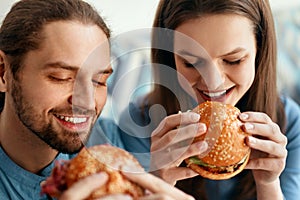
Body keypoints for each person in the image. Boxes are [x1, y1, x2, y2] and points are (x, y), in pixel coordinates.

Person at [0, 0, 195, 200]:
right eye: (61, 77)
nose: (85, 102)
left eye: (99, 81)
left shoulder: (118, 150)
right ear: (2, 72)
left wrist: (153, 183)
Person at [108, 0, 300, 199]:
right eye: (191, 62)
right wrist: (155, 182)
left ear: (259, 52)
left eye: (233, 60)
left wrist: (268, 184)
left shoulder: (288, 121)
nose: (213, 83)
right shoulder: (138, 121)